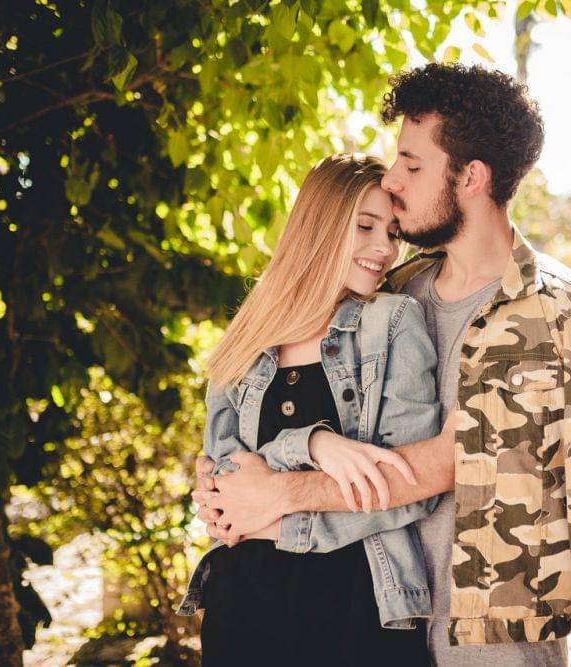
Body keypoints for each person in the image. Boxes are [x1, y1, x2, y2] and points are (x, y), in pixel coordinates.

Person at [198, 64, 571, 667]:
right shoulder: (392, 294)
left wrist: (276, 494)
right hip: (379, 620)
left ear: (471, 177)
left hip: (495, 649)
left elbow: (497, 471)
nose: (393, 179)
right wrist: (227, 482)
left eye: (412, 165)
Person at [178, 154, 446, 666]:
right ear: (320, 225)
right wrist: (315, 445)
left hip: (360, 609)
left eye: (393, 233)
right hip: (244, 609)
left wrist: (278, 518)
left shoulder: (392, 323)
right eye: (365, 226)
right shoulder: (247, 336)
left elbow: (409, 487)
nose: (385, 248)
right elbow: (227, 484)